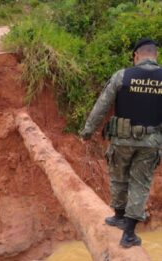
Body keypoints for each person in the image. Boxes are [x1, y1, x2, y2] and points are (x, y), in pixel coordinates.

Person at [80, 38, 162, 248]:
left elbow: (101, 106)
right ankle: (129, 234)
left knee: (118, 178)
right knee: (140, 185)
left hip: (121, 141)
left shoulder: (122, 76)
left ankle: (118, 216)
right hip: (150, 142)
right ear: (155, 56)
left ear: (136, 56)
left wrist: (88, 131)